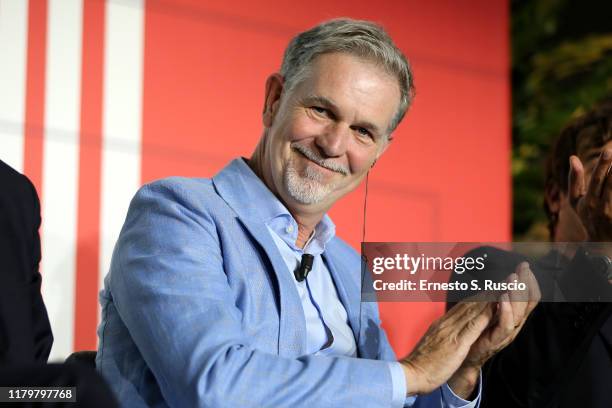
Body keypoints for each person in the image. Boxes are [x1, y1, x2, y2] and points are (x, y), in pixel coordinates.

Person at [96, 19, 538, 407]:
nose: (333, 144)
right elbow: (214, 387)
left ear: (381, 151)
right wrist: (413, 373)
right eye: (322, 111)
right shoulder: (178, 214)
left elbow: (386, 399)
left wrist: (461, 370)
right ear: (274, 99)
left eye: (363, 132)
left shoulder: (347, 267)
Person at [448, 98, 612, 407]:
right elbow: (507, 393)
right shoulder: (494, 268)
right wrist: (600, 253)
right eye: (603, 164)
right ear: (555, 196)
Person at [0, 159, 118, 407]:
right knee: (80, 388)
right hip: (11, 392)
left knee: (84, 385)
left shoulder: (16, 191)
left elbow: (31, 326)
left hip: (12, 392)